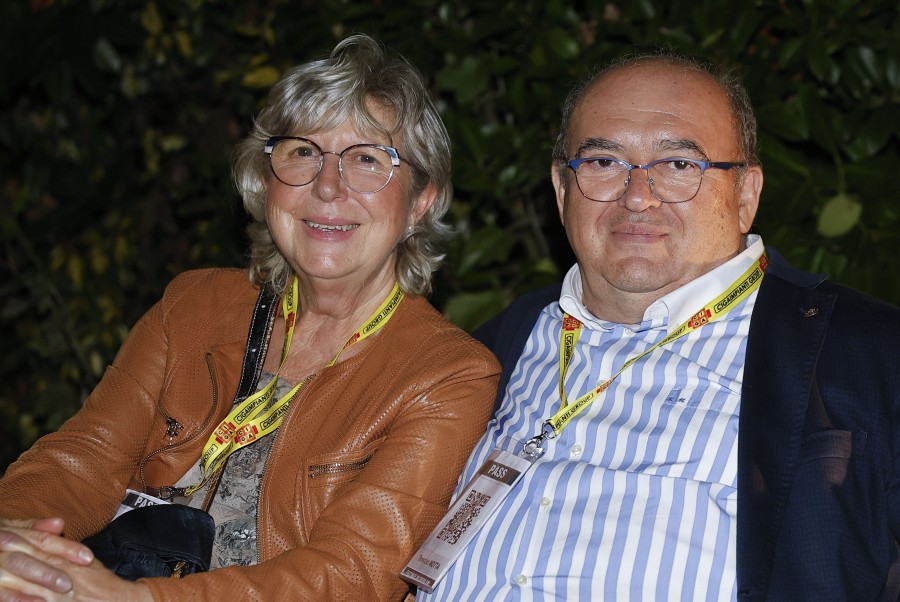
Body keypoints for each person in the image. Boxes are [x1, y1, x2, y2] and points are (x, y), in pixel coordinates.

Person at [0, 34, 500, 601]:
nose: (327, 186)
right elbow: (82, 459)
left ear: (420, 201)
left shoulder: (447, 374)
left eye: (367, 159)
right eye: (303, 152)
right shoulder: (194, 305)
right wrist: (16, 538)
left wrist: (140, 600)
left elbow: (352, 573)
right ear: (265, 181)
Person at [416, 51, 900, 600]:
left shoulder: (868, 356)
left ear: (745, 195)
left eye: (678, 165)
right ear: (561, 190)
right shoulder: (487, 351)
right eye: (603, 161)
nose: (637, 196)